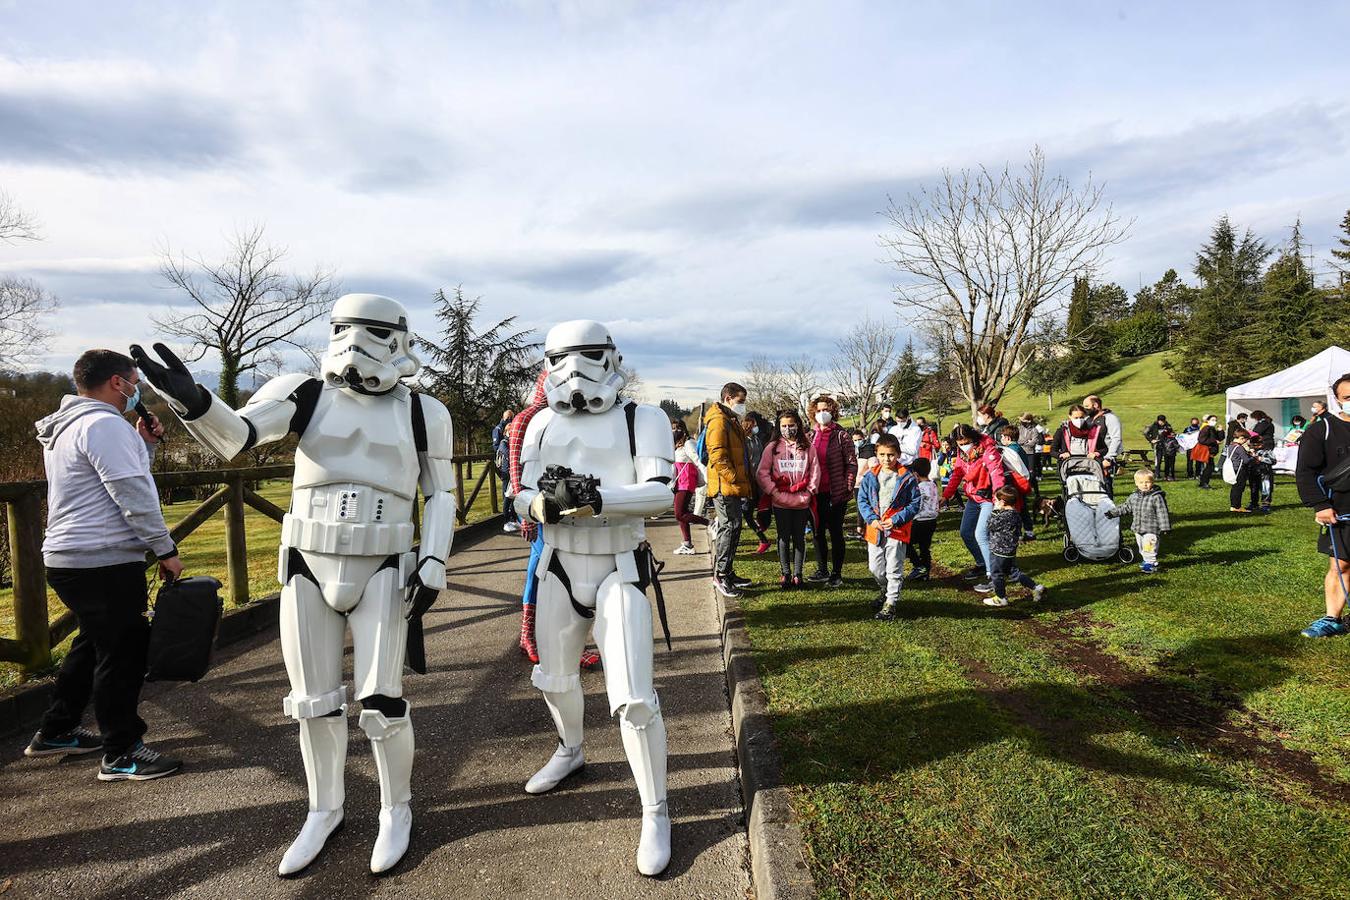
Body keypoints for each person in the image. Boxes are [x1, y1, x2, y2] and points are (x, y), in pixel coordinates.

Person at [134, 294, 457, 874]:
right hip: (308, 560)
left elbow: (443, 492)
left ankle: (396, 808)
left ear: (399, 341)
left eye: (371, 331)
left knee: (382, 703)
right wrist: (194, 402)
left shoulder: (423, 411)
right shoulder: (303, 393)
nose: (354, 343)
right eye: (344, 329)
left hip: (384, 562)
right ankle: (323, 809)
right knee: (312, 703)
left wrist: (433, 558)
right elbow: (238, 436)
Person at [513, 319, 677, 876]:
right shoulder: (539, 422)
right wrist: (537, 505)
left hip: (617, 565)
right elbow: (521, 493)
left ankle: (655, 809)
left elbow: (659, 493)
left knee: (634, 697)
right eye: (560, 358)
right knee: (553, 678)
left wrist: (598, 497)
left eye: (586, 355)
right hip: (558, 564)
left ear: (610, 357)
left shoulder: (642, 418)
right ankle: (570, 749)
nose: (574, 370)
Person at [25, 350, 185, 780]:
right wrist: (164, 548)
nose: (138, 391)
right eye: (136, 382)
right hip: (102, 558)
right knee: (123, 652)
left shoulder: (70, 426)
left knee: (93, 642)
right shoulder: (104, 425)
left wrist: (144, 444)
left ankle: (56, 729)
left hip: (72, 557)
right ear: (118, 382)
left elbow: (118, 479)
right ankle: (122, 752)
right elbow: (131, 491)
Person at [1296, 375, 1350, 638]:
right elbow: (1305, 472)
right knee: (1341, 565)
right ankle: (1332, 619)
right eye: (1348, 397)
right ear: (1337, 400)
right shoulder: (1321, 430)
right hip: (1341, 510)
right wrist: (1320, 505)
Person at [856, 433, 922, 621]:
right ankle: (885, 589)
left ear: (898, 454)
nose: (887, 459)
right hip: (875, 529)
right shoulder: (870, 476)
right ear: (877, 454)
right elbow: (862, 500)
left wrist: (897, 519)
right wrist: (871, 519)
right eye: (882, 455)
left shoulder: (907, 477)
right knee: (875, 567)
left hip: (897, 530)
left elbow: (915, 503)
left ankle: (890, 603)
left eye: (891, 455)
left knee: (894, 567)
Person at [756, 409, 819, 588]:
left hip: (801, 501)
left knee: (799, 537)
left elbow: (815, 470)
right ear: (779, 427)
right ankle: (786, 573)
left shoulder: (808, 447)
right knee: (783, 537)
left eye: (791, 425)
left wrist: (810, 491)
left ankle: (798, 574)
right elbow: (762, 472)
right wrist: (773, 491)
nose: (787, 429)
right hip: (780, 501)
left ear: (798, 425)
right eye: (783, 426)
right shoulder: (772, 447)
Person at [941, 423, 1006, 592]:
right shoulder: (961, 453)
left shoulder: (988, 450)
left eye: (966, 442)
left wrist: (999, 497)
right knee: (966, 532)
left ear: (973, 438)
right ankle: (982, 563)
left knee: (981, 534)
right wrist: (946, 495)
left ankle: (994, 576)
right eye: (960, 443)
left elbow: (996, 473)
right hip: (972, 498)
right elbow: (957, 473)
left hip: (987, 498)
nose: (964, 446)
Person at [704, 382, 754, 598]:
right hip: (724, 485)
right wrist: (734, 478)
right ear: (728, 398)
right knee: (729, 527)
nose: (743, 405)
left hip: (730, 485)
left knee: (734, 527)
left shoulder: (729, 419)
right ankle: (721, 575)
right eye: (740, 401)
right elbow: (717, 455)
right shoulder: (719, 421)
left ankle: (728, 571)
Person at [806, 394, 857, 588]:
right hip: (815, 493)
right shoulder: (810, 436)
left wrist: (848, 485)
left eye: (825, 410)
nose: (822, 414)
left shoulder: (842, 435)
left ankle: (836, 573)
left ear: (833, 411)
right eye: (818, 410)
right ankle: (822, 569)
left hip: (836, 492)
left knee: (835, 532)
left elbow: (851, 463)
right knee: (817, 532)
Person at [982, 485, 1046, 608]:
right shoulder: (1016, 514)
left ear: (1002, 502)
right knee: (1013, 572)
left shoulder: (1002, 516)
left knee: (996, 574)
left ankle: (1000, 598)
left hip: (998, 551)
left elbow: (990, 525)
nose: (994, 502)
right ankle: (1036, 587)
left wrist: (995, 511)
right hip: (1010, 551)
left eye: (996, 500)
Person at [1105, 469, 1172, 574]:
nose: (1144, 485)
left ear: (1152, 482)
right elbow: (1126, 507)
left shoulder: (1156, 497)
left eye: (1147, 482)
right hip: (1138, 528)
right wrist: (1113, 513)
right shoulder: (1134, 496)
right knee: (1141, 547)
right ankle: (1147, 560)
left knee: (1149, 547)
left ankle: (1151, 563)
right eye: (1141, 482)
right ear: (1136, 483)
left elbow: (1162, 512)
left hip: (1151, 529)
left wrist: (1165, 527)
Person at [743, 411, 774, 555]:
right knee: (747, 513)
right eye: (754, 424)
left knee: (756, 511)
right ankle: (763, 538)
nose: (756, 427)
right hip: (750, 481)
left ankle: (763, 537)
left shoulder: (756, 439)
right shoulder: (743, 441)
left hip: (759, 481)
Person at [905, 456, 940, 582]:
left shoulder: (919, 488)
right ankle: (925, 572)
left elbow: (917, 506)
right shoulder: (933, 485)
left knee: (905, 543)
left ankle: (918, 566)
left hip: (919, 521)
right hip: (932, 521)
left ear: (915, 474)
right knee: (924, 547)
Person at [1084, 395, 1122, 494]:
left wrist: (1109, 458)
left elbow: (1116, 438)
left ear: (1096, 405)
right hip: (1089, 458)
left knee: (1105, 487)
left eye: (1087, 406)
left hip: (1104, 458)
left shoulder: (1110, 418)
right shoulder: (1087, 419)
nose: (1085, 409)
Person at [494, 409, 520, 533]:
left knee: (514, 497)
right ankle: (506, 521)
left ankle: (513, 519)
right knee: (507, 497)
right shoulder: (504, 443)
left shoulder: (510, 442)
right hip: (506, 472)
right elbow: (508, 453)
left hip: (513, 472)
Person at [1226, 431, 1260, 513]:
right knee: (1239, 488)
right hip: (1240, 469)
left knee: (1234, 488)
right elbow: (1246, 460)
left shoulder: (1231, 445)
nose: (1246, 442)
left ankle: (1233, 506)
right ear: (1241, 438)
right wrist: (1254, 457)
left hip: (1233, 468)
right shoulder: (1239, 447)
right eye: (1245, 440)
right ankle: (1237, 506)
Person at [1194, 415, 1222, 489]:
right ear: (1208, 420)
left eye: (1215, 420)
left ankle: (1203, 482)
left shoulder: (1212, 428)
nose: (1214, 421)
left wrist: (1220, 431)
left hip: (1211, 450)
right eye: (1212, 420)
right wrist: (1214, 442)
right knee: (1210, 467)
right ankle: (1204, 483)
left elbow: (1219, 438)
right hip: (1207, 450)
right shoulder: (1206, 428)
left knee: (1209, 467)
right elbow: (1201, 440)